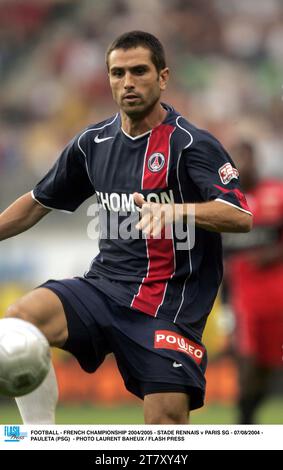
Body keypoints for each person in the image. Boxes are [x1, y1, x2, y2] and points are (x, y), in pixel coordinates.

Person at [0, 31, 252, 424]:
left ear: (163, 77)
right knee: (18, 323)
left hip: (169, 308)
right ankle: (39, 438)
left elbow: (240, 216)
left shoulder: (191, 144)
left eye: (139, 71)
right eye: (117, 73)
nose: (127, 82)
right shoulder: (93, 143)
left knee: (164, 429)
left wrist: (177, 212)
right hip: (104, 288)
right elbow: (36, 202)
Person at [223, 141, 283, 424]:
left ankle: (249, 416)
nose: (240, 166)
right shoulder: (223, 203)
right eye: (235, 161)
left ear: (255, 159)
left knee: (269, 369)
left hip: (278, 295)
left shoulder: (277, 194)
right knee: (246, 365)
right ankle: (243, 426)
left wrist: (273, 253)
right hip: (244, 300)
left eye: (245, 158)